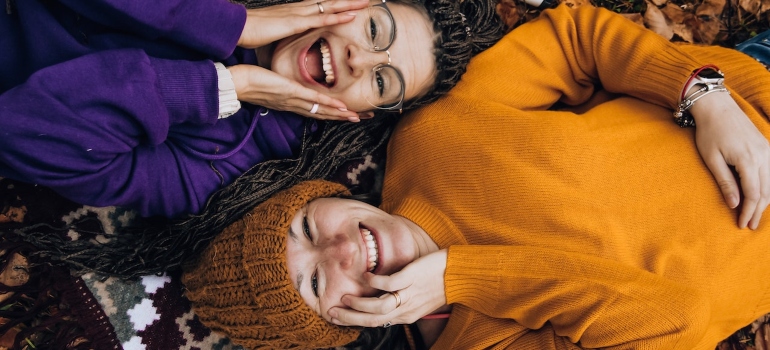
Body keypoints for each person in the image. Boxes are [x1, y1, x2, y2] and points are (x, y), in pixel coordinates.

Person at [181, 4, 770, 349]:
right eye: (314, 284)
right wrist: (468, 275)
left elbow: (575, 38)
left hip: (751, 94)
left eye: (307, 227)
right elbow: (674, 323)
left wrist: (701, 94)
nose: (339, 249)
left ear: (321, 195)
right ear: (339, 328)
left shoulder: (431, 136)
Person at [0, 0, 503, 218]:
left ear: (362, 114)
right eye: (375, 30)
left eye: (381, 80)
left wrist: (221, 86)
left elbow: (23, 135)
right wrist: (229, 26)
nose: (358, 58)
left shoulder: (230, 169)